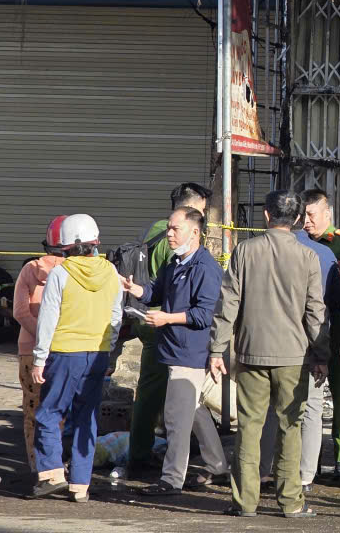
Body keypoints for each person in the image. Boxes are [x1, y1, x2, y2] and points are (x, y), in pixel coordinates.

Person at [209, 190, 327, 518]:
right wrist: (321, 354)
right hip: (294, 357)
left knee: (249, 427)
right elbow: (315, 312)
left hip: (251, 353)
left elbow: (228, 303)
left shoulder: (245, 251)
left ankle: (245, 502)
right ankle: (291, 502)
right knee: (291, 427)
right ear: (299, 219)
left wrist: (217, 348)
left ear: (266, 215)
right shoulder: (308, 257)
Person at [124, 206, 230, 496]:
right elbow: (156, 293)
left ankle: (171, 479)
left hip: (190, 351)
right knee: (192, 411)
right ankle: (217, 465)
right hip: (173, 348)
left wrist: (167, 318)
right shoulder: (175, 262)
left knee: (176, 417)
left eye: (175, 229)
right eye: (169, 228)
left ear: (195, 232)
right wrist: (135, 289)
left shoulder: (206, 268)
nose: (169, 234)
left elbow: (205, 315)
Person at [30, 214, 124, 502]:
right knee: (86, 417)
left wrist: (39, 358)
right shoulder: (111, 272)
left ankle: (51, 474)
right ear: (95, 242)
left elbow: (48, 319)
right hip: (97, 354)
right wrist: (108, 347)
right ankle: (80, 485)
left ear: (64, 246)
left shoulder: (60, 274)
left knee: (49, 413)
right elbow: (116, 316)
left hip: (64, 353)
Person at [128, 182, 212, 478]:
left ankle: (210, 460)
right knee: (165, 398)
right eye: (200, 211)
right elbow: (173, 289)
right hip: (163, 325)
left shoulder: (154, 231)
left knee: (183, 400)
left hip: (158, 320)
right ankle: (151, 461)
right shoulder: (173, 241)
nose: (202, 219)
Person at [258, 209, 340, 493]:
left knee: (272, 408)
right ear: (299, 218)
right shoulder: (322, 253)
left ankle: (265, 470)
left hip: (270, 340)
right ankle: (305, 476)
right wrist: (322, 352)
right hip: (311, 339)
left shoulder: (255, 249)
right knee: (310, 409)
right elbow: (331, 303)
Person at [302, 188, 340, 479]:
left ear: (327, 213)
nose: (306, 221)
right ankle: (308, 461)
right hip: (307, 327)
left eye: (311, 215)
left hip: (336, 322)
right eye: (303, 215)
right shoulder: (298, 242)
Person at [10, 216, 67, 473]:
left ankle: (37, 466)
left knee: (32, 409)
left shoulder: (29, 269)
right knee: (62, 409)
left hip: (29, 351)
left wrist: (43, 337)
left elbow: (20, 312)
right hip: (66, 350)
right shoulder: (77, 271)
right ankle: (60, 464)